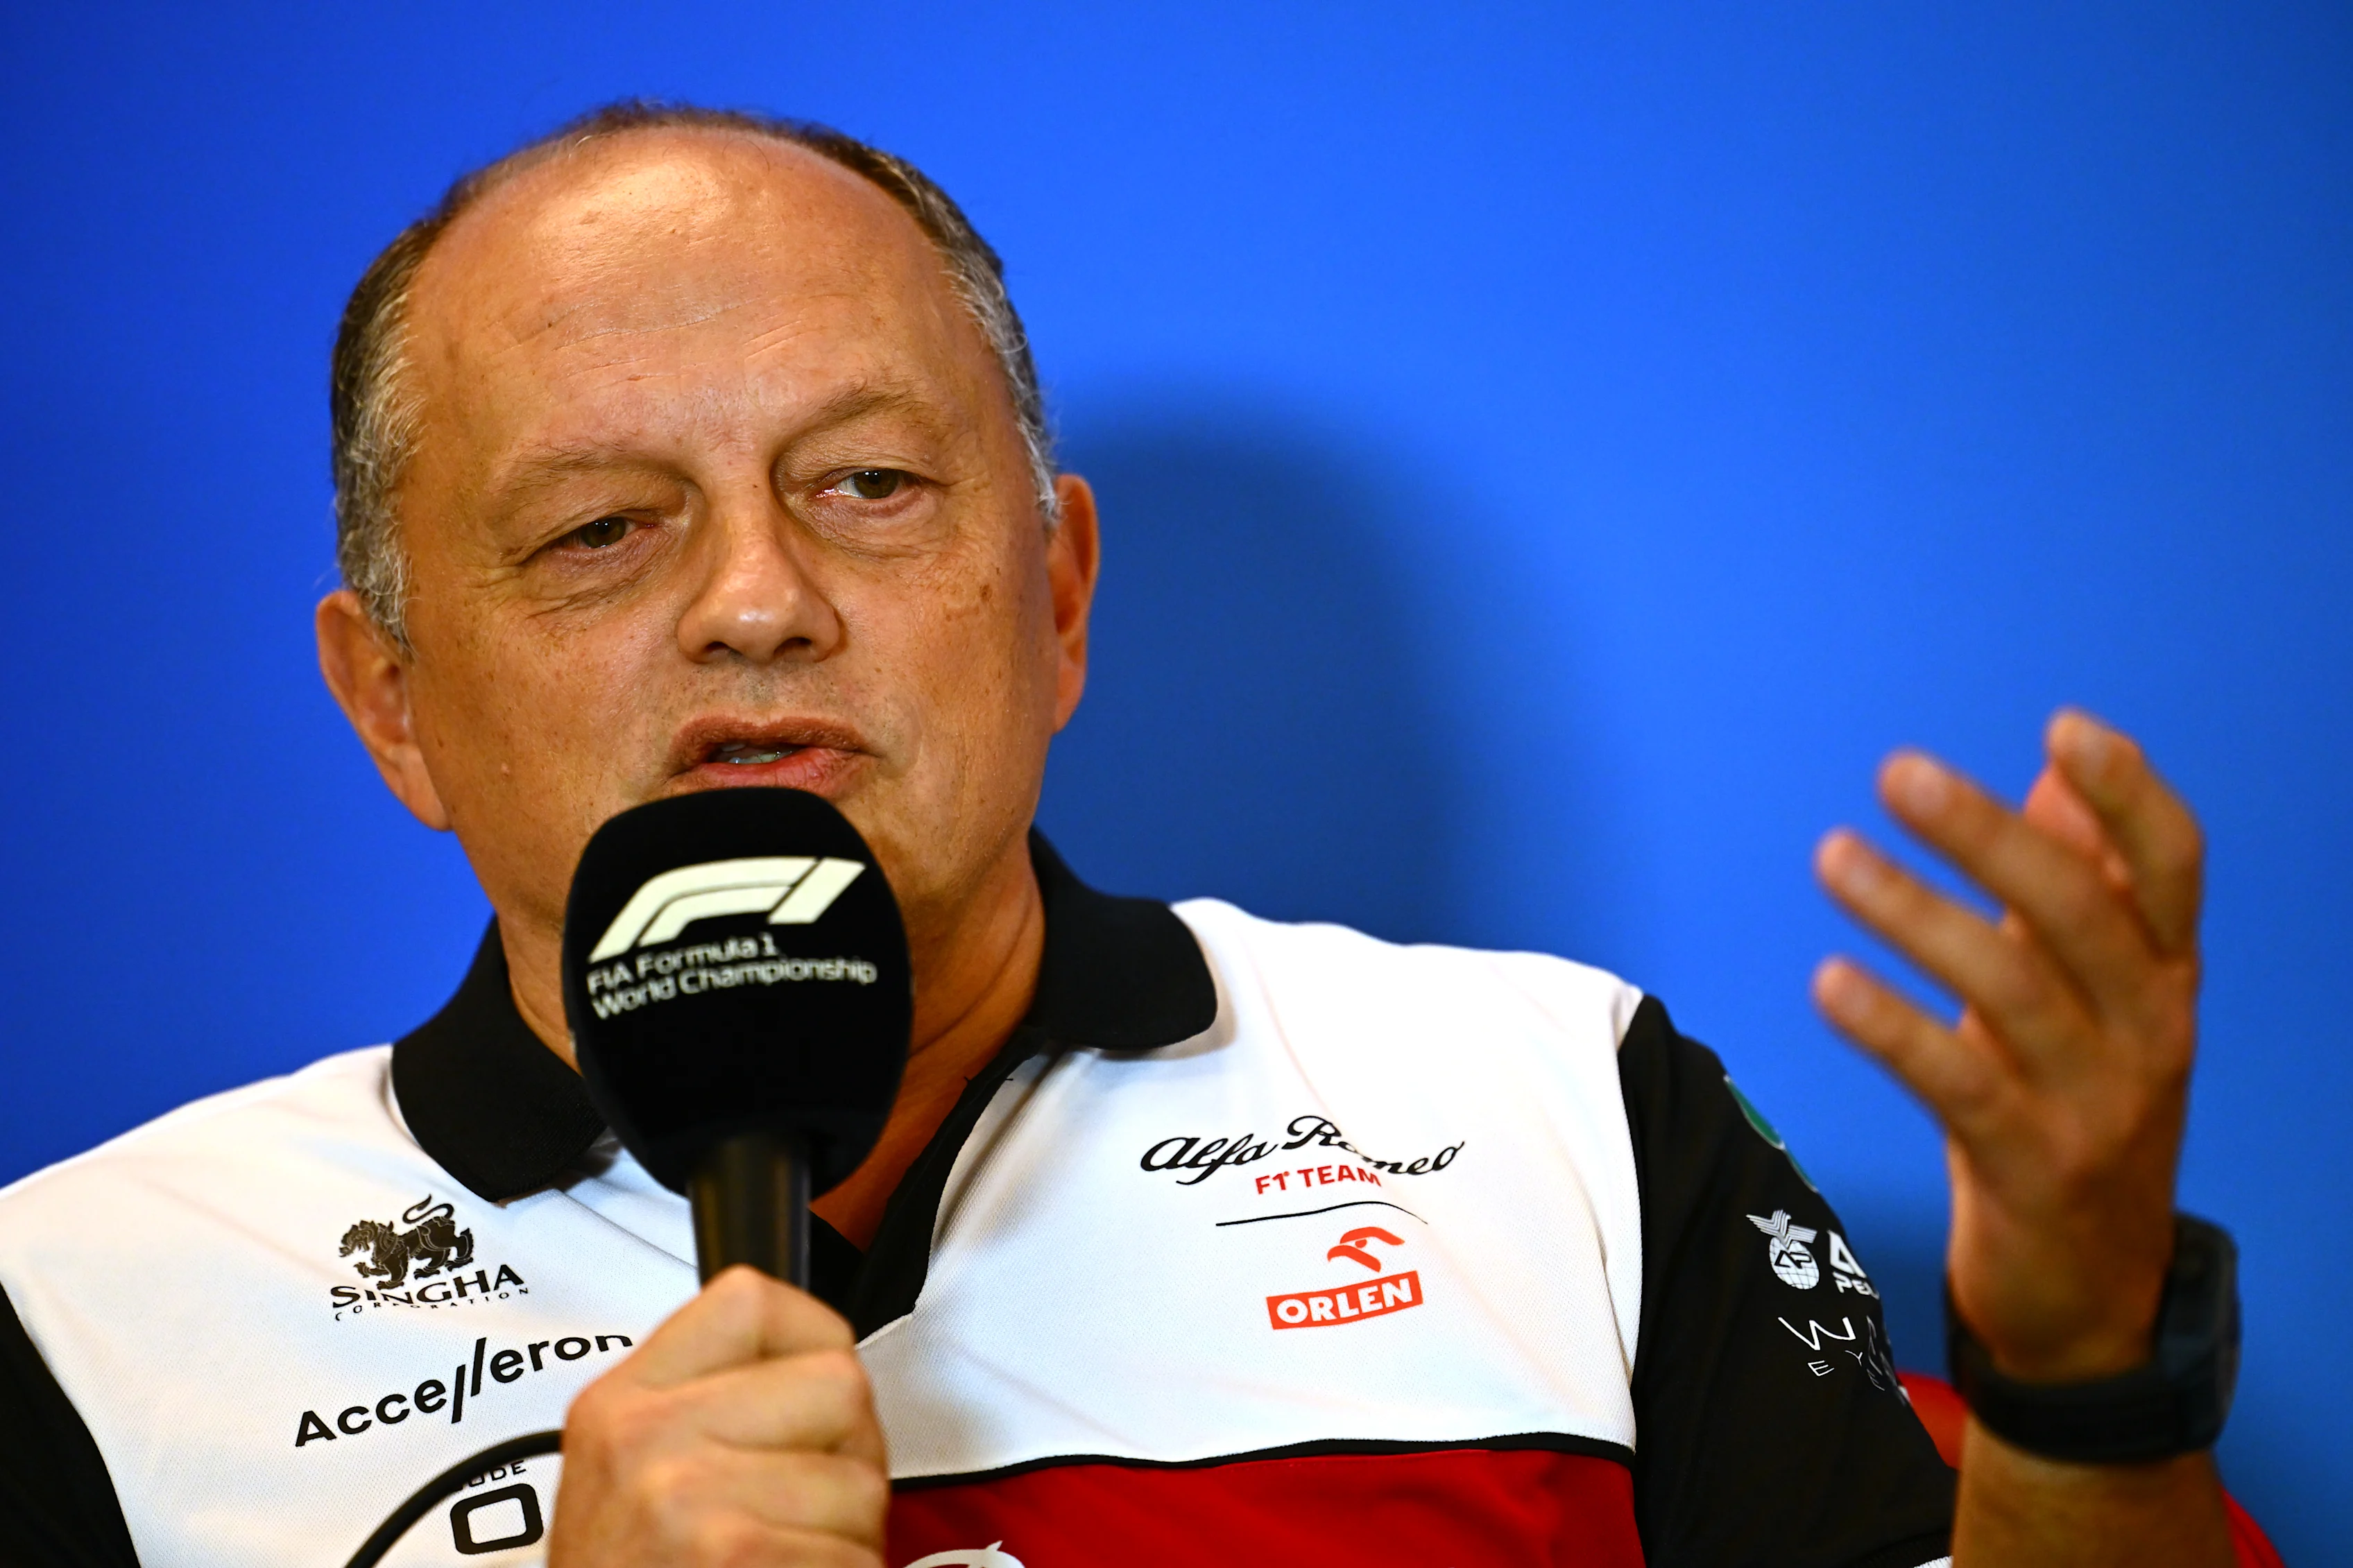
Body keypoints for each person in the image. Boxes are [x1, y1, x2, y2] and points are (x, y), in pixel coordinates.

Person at [0, 102, 2243, 1567]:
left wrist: (2081, 1386)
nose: (761, 597)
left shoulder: (1559, 1114)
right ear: (394, 700)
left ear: (1058, 597)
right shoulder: (87, 1327)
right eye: (600, 528)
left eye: (871, 484)